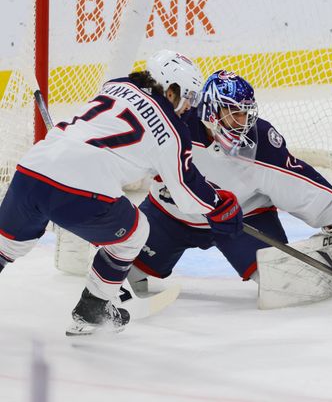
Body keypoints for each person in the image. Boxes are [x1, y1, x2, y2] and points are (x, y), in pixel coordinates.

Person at [0, 50, 244, 335]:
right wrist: (217, 204)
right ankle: (93, 308)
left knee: (5, 246)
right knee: (137, 230)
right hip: (79, 191)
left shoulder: (115, 85)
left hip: (33, 169)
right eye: (187, 97)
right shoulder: (174, 130)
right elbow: (187, 194)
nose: (188, 108)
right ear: (171, 89)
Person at [129, 70, 332, 309]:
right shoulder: (174, 125)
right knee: (124, 271)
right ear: (210, 111)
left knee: (287, 282)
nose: (242, 123)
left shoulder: (260, 144)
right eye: (233, 114)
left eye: (246, 114)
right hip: (169, 215)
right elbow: (128, 153)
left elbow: (299, 185)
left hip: (242, 218)